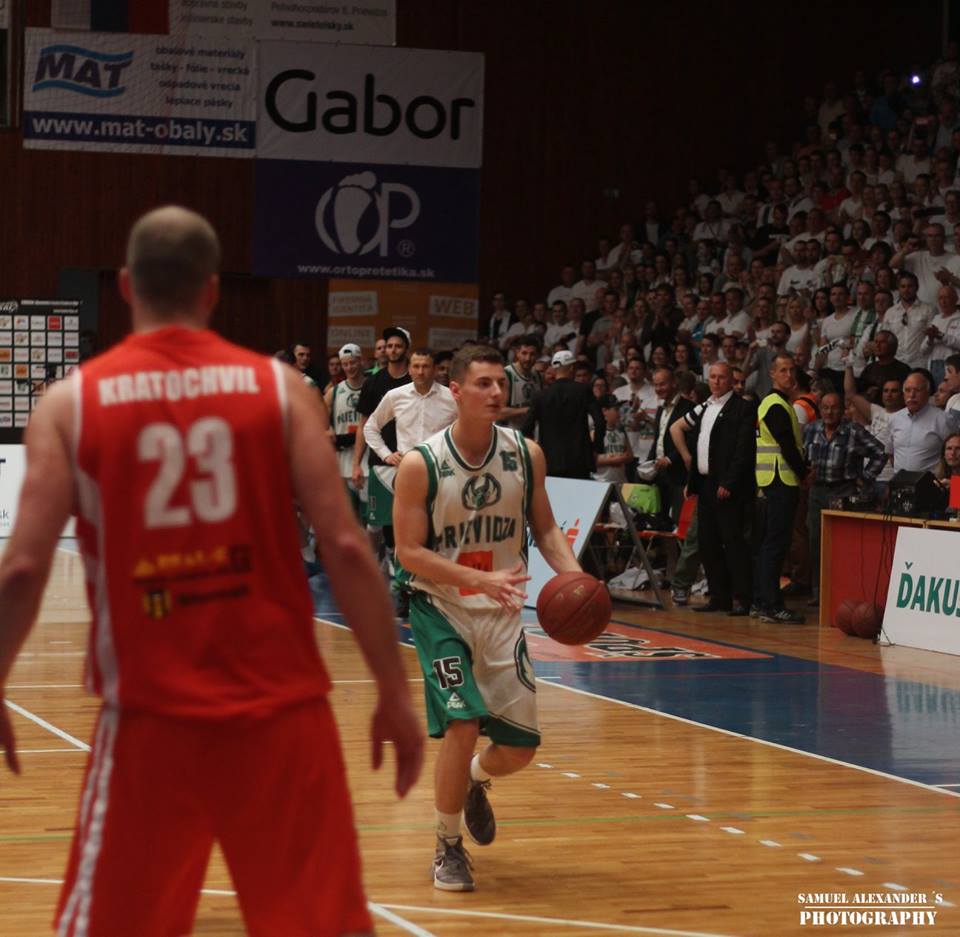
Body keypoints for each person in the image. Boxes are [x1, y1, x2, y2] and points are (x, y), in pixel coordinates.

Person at [0, 206, 424, 937]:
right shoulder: (281, 389)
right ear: (213, 289)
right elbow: (347, 547)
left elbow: (23, 569)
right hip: (283, 716)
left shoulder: (72, 403)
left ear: (126, 287)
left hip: (151, 721)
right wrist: (392, 691)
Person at [393, 344, 581, 892]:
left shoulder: (526, 454)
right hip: (441, 608)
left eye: (501, 383)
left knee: (520, 750)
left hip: (501, 613)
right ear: (455, 390)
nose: (497, 392)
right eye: (483, 383)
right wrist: (477, 580)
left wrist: (576, 580)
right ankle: (447, 845)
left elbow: (546, 529)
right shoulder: (420, 464)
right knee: (463, 723)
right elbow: (408, 552)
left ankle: (475, 781)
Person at [671, 362, 756, 615]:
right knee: (708, 543)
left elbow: (743, 450)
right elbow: (697, 444)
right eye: (713, 377)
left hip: (727, 485)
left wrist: (729, 482)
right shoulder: (705, 406)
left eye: (721, 378)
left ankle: (742, 598)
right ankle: (719, 597)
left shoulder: (743, 408)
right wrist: (692, 481)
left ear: (731, 380)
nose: (716, 382)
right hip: (705, 484)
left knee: (733, 542)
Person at [803, 393, 887, 604]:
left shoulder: (853, 430)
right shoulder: (811, 429)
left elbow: (880, 453)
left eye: (834, 407)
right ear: (820, 409)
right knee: (815, 542)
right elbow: (801, 455)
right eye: (825, 407)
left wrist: (865, 478)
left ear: (843, 410)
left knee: (842, 543)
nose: (830, 412)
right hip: (816, 492)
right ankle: (819, 592)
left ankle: (842, 591)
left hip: (844, 491)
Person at [753, 354, 807, 624]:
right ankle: (772, 604)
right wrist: (803, 473)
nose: (789, 375)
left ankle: (761, 601)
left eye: (792, 370)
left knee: (770, 544)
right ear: (772, 373)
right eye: (783, 370)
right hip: (780, 479)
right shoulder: (775, 404)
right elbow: (786, 445)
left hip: (773, 480)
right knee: (775, 544)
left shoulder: (778, 403)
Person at [522, 350, 605, 479]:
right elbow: (599, 422)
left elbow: (526, 428)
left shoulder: (540, 396)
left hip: (549, 460)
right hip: (579, 460)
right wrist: (596, 449)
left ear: (554, 369)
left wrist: (536, 452)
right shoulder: (583, 391)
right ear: (572, 368)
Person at [324, 343, 368, 522]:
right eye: (345, 364)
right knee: (346, 517)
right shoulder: (334, 392)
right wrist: (328, 428)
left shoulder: (371, 387)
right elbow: (319, 416)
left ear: (361, 361)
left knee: (368, 520)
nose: (349, 367)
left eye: (353, 362)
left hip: (366, 459)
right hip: (342, 459)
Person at [888, 369, 960, 473]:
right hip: (900, 480)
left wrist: (955, 482)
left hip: (932, 481)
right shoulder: (894, 419)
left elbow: (956, 457)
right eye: (907, 390)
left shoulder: (943, 419)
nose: (912, 395)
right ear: (903, 394)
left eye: (917, 390)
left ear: (927, 393)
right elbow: (891, 454)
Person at [647, 367, 694, 525]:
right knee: (658, 519)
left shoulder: (688, 407)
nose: (658, 388)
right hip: (659, 472)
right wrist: (648, 464)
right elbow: (658, 439)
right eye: (656, 385)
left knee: (679, 520)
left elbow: (689, 441)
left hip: (679, 473)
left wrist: (669, 459)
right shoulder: (661, 409)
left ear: (674, 383)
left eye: (662, 384)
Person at [500, 334, 543, 430]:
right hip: (510, 431)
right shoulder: (507, 374)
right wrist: (526, 410)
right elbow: (499, 412)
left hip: (530, 431)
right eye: (524, 353)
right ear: (517, 353)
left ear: (538, 355)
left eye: (532, 354)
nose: (528, 358)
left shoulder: (536, 375)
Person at [593, 394, 633, 483]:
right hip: (601, 482)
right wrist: (613, 460)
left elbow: (630, 455)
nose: (619, 413)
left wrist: (625, 457)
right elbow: (589, 460)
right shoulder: (594, 432)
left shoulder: (621, 431)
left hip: (620, 481)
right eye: (616, 409)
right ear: (604, 411)